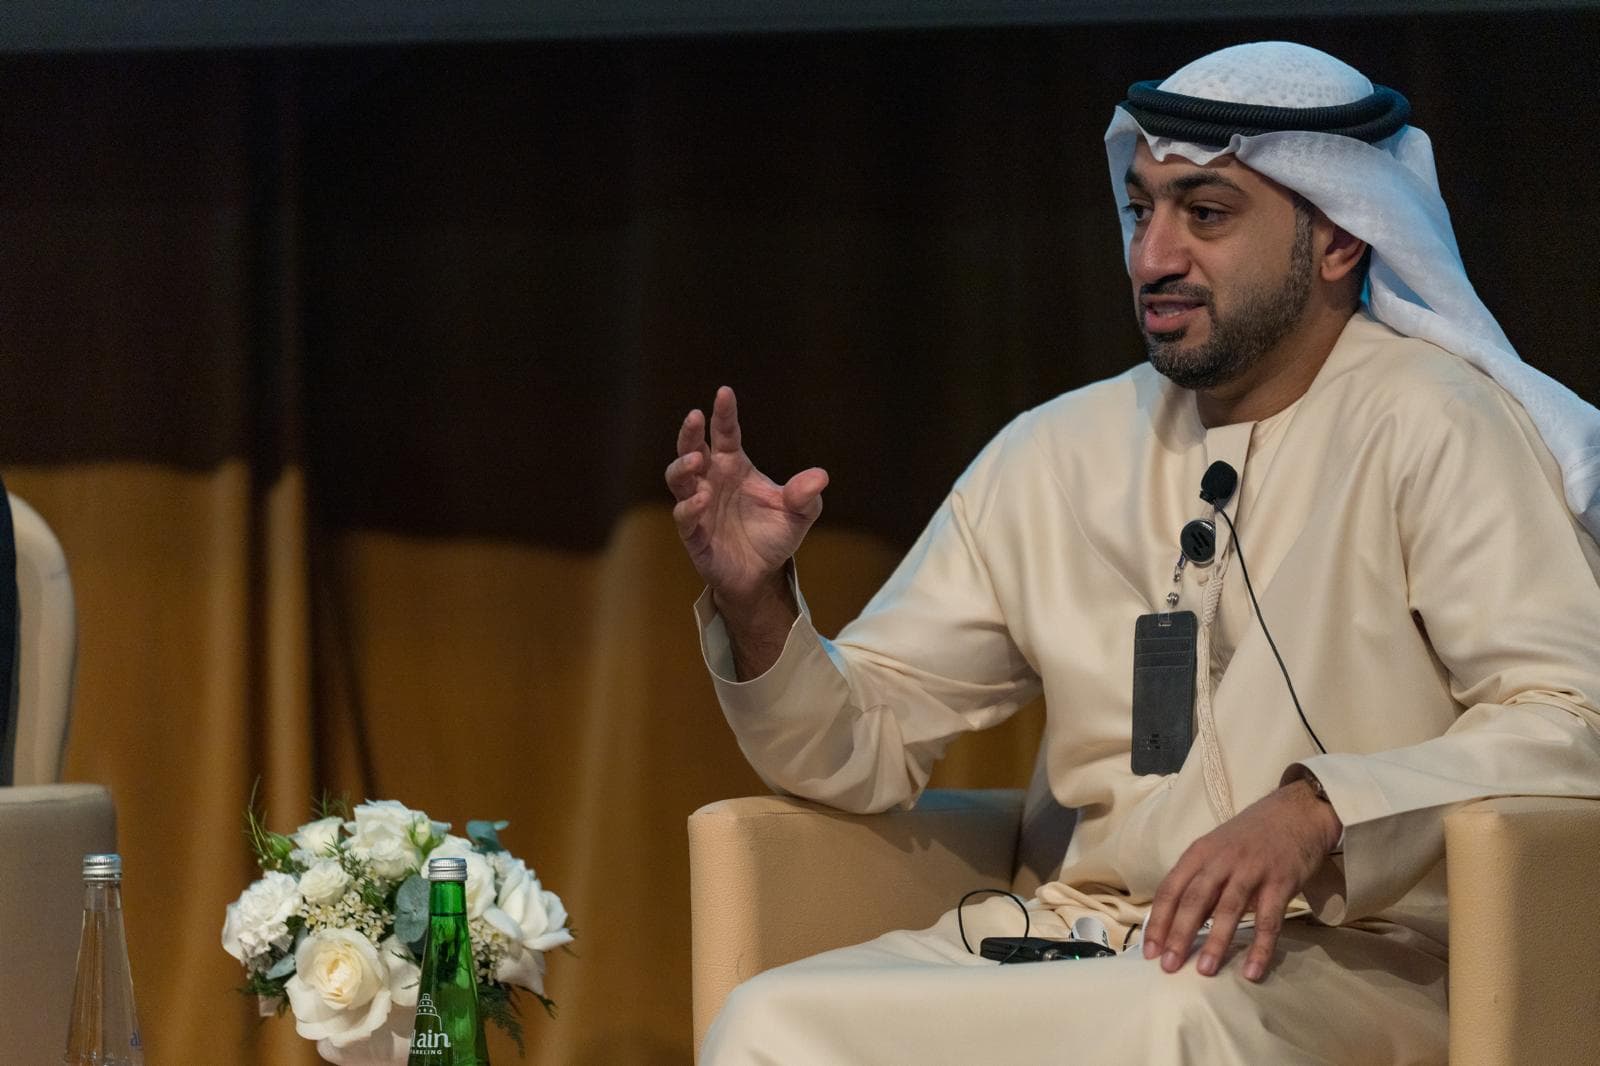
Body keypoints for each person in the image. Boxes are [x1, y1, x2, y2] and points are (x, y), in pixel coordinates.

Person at [665, 41, 1600, 1064]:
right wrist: (757, 603)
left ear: (1339, 237)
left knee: (1173, 1021)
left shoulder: (1438, 423)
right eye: (1139, 209)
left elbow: (1573, 715)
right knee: (769, 1018)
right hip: (1078, 937)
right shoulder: (1053, 451)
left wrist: (1321, 808)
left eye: (1205, 214)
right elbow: (861, 742)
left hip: (1345, 953)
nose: (1152, 257)